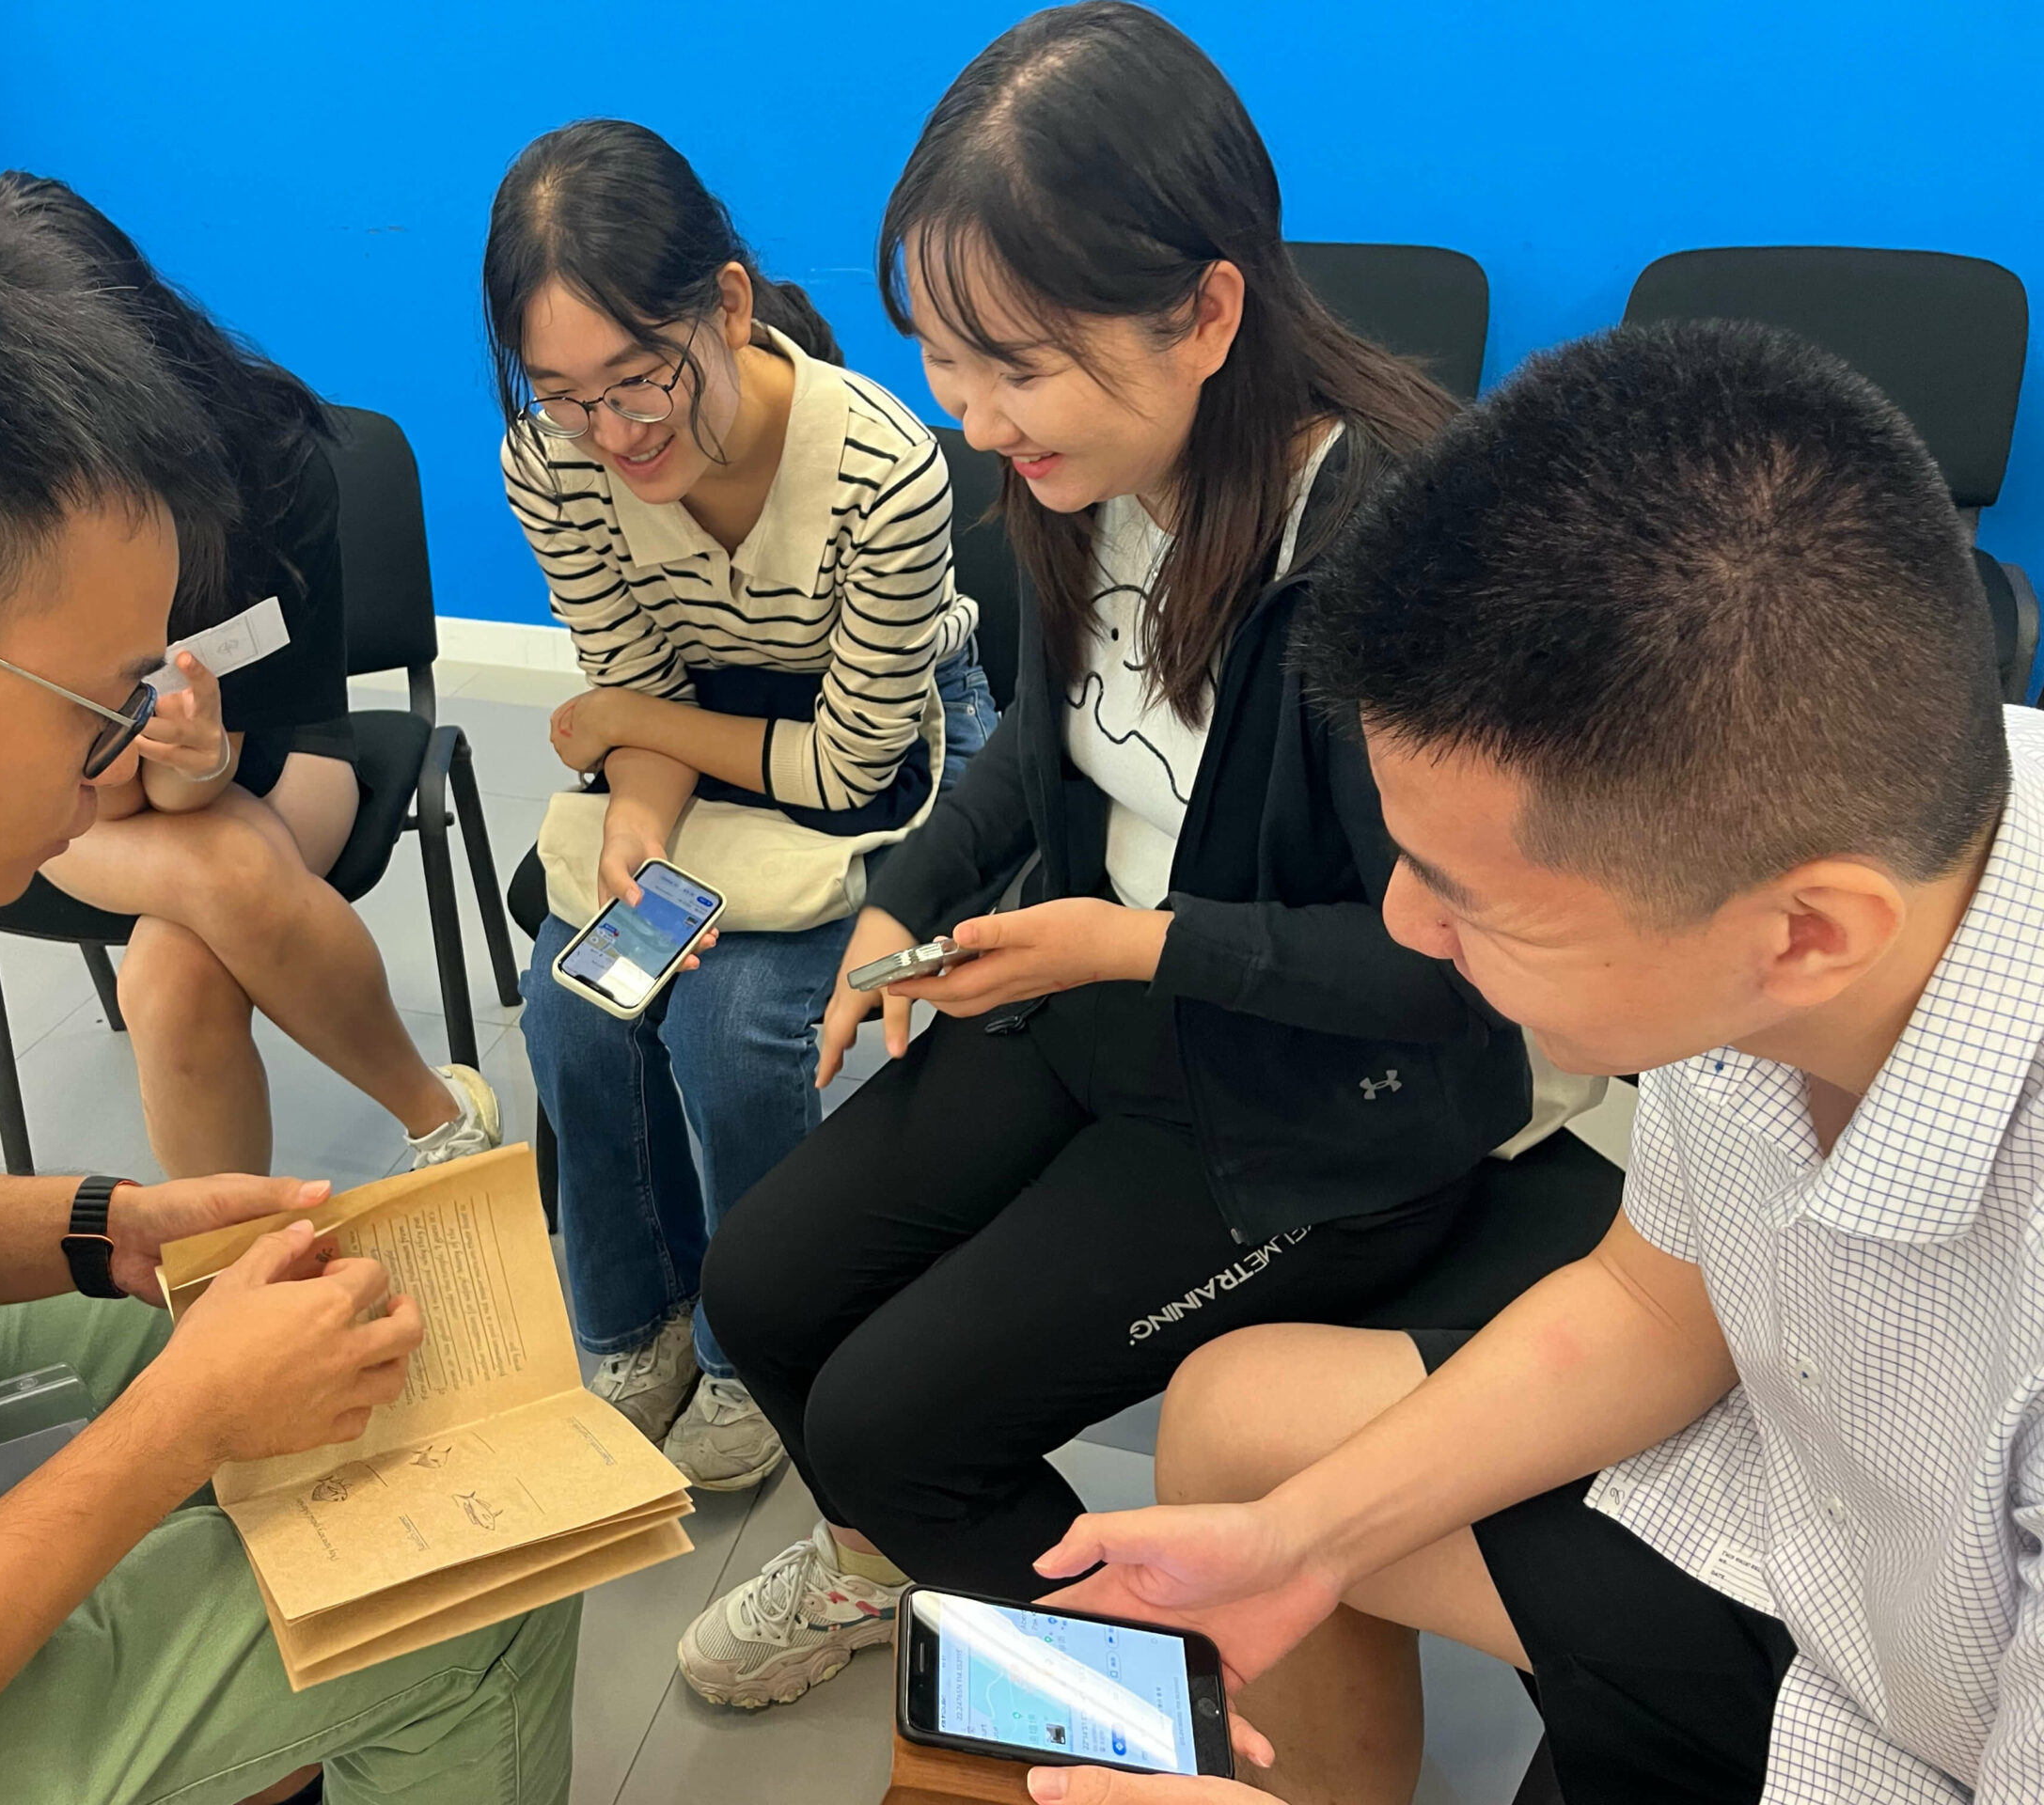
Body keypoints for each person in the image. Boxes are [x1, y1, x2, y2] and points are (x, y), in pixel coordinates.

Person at [0, 186, 574, 1805]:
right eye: (99, 700)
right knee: (474, 1597)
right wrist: (172, 1438)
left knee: (351, 1363)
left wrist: (106, 1227)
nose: (129, 753)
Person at [1035, 320, 2044, 1805]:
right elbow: (1654, 1298)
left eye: (1472, 896)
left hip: (1930, 1727)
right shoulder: (1811, 866)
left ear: (1807, 936)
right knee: (1248, 1430)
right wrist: (1307, 1540)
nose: (1401, 922)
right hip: (1794, 1536)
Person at [676, 1, 1534, 1712]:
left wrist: (1130, 948)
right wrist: (901, 902)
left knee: (895, 1426)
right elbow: (1042, 751)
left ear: (1210, 308)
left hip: (1320, 1115)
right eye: (945, 356)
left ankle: (1156, 1724)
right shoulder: (1084, 475)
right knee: (760, 1289)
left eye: (1019, 362)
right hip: (1108, 1012)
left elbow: (1454, 976)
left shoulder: (1397, 557)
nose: (974, 417)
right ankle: (897, 1554)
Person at [487, 119, 997, 1491]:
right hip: (704, 729)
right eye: (564, 395)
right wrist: (638, 809)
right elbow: (633, 673)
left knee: (732, 1028)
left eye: (638, 380)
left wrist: (628, 732)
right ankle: (633, 1315)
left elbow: (850, 768)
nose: (613, 434)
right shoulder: (551, 465)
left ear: (724, 302)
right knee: (572, 1001)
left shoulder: (881, 468)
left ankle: (757, 1342)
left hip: (892, 736)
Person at [0, 173, 499, 1180]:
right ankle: (444, 1121)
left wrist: (201, 759)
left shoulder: (266, 462)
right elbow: (79, 778)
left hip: (276, 745)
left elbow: (249, 738)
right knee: (202, 894)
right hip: (70, 796)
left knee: (174, 975)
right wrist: (139, 766)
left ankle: (227, 1272)